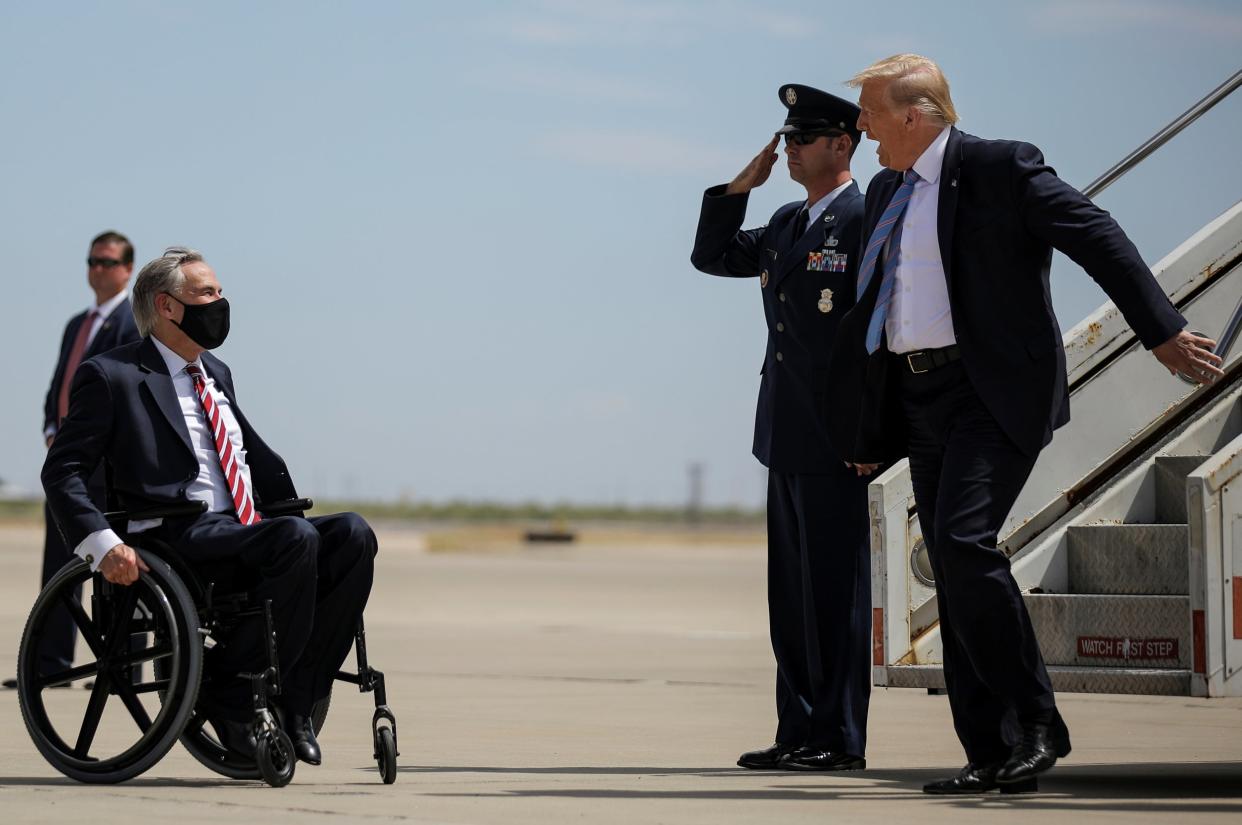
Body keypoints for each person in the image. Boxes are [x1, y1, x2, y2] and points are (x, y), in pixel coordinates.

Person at [827, 54, 1223, 794]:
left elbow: (1095, 234)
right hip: (918, 400)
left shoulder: (999, 167)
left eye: (871, 115)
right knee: (950, 566)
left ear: (913, 115)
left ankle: (1039, 723)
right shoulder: (886, 188)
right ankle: (990, 749)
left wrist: (1160, 330)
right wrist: (863, 431)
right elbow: (877, 314)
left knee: (964, 543)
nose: (861, 130)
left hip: (991, 392)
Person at [42, 246, 379, 767]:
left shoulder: (216, 372)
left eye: (219, 292)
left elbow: (240, 452)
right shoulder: (114, 376)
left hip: (244, 526)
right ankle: (229, 689)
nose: (220, 303)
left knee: (353, 535)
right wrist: (102, 545)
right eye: (206, 294)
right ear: (167, 306)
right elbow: (61, 470)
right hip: (176, 533)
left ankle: (297, 699)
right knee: (295, 539)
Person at [690, 84, 871, 772]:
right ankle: (797, 729)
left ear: (840, 145)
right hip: (783, 436)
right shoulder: (788, 223)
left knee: (836, 598)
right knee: (790, 599)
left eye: (802, 140)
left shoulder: (863, 219)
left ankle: (839, 737)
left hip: (838, 441)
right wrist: (740, 187)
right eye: (786, 139)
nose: (789, 150)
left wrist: (872, 435)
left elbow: (876, 335)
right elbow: (712, 255)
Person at [4, 232, 142, 692]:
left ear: (127, 268)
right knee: (59, 570)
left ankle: (121, 668)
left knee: (117, 570)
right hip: (68, 470)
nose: (97, 270)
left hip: (107, 471)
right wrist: (51, 431)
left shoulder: (132, 323)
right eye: (91, 261)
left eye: (106, 262)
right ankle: (52, 666)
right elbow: (58, 386)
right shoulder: (76, 325)